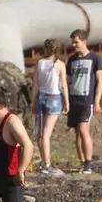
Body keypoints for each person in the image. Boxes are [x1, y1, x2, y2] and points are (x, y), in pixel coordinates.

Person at [66, 29, 102, 173]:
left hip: (86, 100)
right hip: (73, 99)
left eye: (76, 42)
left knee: (83, 130)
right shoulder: (72, 60)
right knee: (77, 132)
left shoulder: (95, 59)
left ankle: (88, 163)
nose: (74, 45)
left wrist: (97, 101)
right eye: (72, 42)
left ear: (84, 41)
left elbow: (100, 80)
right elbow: (68, 80)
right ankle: (82, 162)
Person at [32, 38, 70, 176]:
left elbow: (35, 85)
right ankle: (47, 164)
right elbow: (64, 85)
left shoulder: (40, 63)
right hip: (54, 98)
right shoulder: (60, 64)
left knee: (40, 134)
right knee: (46, 134)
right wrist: (67, 102)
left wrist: (32, 102)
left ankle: (44, 162)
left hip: (41, 97)